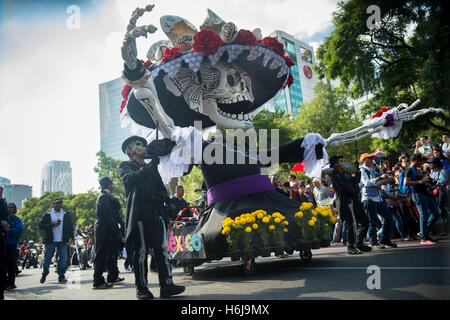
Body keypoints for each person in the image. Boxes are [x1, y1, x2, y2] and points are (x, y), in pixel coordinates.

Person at [119, 136, 185, 300]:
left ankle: (167, 285)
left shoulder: (151, 167)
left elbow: (160, 188)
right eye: (138, 144)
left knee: (162, 249)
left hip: (156, 213)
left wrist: (169, 202)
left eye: (143, 144)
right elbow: (130, 179)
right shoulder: (125, 166)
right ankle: (142, 288)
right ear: (130, 150)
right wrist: (150, 167)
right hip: (140, 213)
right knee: (141, 251)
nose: (142, 146)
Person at [330, 155, 371, 254]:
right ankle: (350, 246)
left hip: (354, 200)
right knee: (351, 223)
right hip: (345, 202)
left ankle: (359, 243)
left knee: (365, 221)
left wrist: (358, 172)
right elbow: (343, 186)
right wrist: (354, 190)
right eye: (341, 161)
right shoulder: (334, 175)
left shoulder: (345, 173)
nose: (343, 162)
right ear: (335, 164)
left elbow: (355, 181)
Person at [92, 176, 125, 289]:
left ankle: (112, 276)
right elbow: (109, 217)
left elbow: (115, 214)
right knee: (101, 254)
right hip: (103, 228)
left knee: (111, 253)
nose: (113, 186)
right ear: (108, 185)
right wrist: (118, 233)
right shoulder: (103, 197)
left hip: (108, 228)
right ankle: (97, 280)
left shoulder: (107, 197)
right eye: (112, 184)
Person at [360, 153, 397, 249]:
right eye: (369, 158)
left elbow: (375, 184)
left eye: (372, 158)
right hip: (369, 199)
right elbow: (367, 183)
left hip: (377, 198)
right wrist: (381, 178)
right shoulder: (362, 170)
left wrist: (385, 181)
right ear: (364, 160)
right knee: (372, 221)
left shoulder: (371, 170)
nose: (372, 160)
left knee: (389, 217)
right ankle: (373, 242)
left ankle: (385, 239)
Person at [405, 154, 440, 244]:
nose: (422, 163)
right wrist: (421, 181)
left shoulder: (418, 170)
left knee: (436, 213)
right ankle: (424, 237)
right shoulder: (409, 170)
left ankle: (423, 232)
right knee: (424, 215)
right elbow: (406, 182)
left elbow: (425, 181)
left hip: (426, 194)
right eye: (420, 161)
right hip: (418, 195)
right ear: (416, 160)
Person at [39, 198, 74, 284]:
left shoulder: (65, 214)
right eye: (57, 203)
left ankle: (61, 276)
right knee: (47, 259)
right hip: (50, 240)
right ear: (53, 204)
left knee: (63, 259)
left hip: (62, 240)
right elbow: (41, 226)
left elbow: (70, 227)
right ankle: (44, 274)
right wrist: (52, 224)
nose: (58, 205)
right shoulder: (48, 214)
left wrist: (72, 238)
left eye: (60, 203)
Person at [4, 203, 23, 290]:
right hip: (3, 244)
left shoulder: (17, 220)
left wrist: (8, 229)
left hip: (12, 244)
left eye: (11, 207)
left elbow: (19, 231)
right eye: (8, 207)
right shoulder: (3, 219)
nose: (9, 209)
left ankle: (11, 283)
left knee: (11, 264)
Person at [429, 156, 449, 235]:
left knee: (443, 210)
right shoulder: (433, 172)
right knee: (438, 210)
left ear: (436, 164)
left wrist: (433, 181)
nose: (430, 165)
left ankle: (446, 230)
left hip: (442, 192)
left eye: (432, 163)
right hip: (434, 193)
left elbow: (443, 181)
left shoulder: (443, 171)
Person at [0, 186, 10, 300]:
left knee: (2, 265)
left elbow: (5, 215)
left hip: (1, 238)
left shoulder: (2, 202)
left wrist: (0, 198)